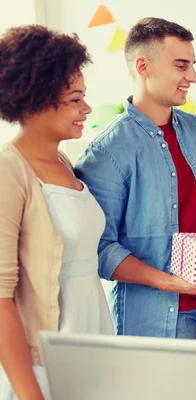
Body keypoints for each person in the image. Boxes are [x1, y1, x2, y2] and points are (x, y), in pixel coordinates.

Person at [75, 17, 196, 349]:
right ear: (143, 66)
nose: (192, 77)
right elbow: (101, 250)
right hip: (158, 320)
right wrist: (172, 283)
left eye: (192, 65)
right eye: (181, 65)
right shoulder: (106, 152)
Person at [0, 25, 113, 399]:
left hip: (92, 342)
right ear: (35, 100)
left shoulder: (64, 161)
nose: (87, 109)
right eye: (75, 99)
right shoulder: (9, 172)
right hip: (43, 361)